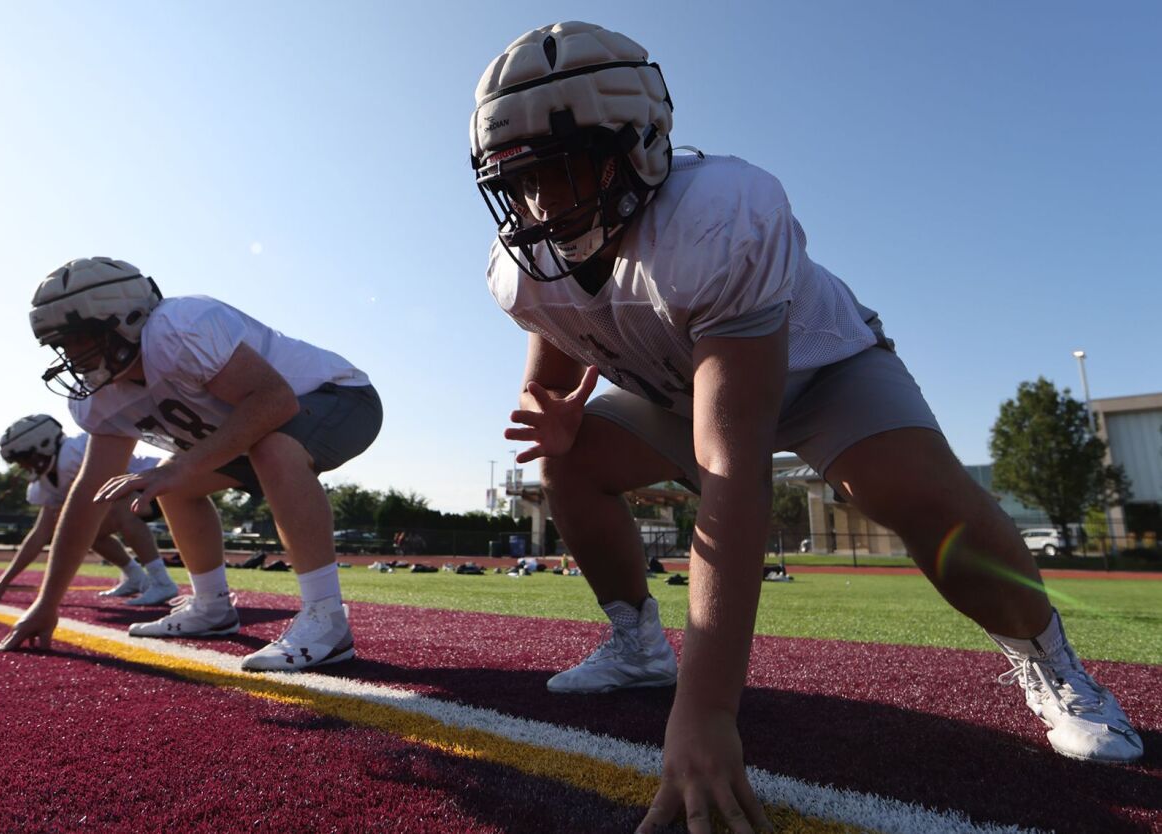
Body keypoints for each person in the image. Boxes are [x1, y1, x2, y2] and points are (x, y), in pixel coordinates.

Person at [468, 21, 1142, 833]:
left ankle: (1047, 656)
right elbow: (557, 309)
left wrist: (707, 711)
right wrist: (551, 399)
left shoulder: (721, 212)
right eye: (522, 179)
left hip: (820, 370)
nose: (541, 204)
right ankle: (636, 645)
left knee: (910, 494)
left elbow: (734, 471)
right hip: (681, 387)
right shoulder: (516, 267)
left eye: (564, 169)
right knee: (567, 464)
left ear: (636, 144)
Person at [0, 257, 382, 672]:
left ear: (124, 317)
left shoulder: (180, 327)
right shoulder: (100, 395)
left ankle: (327, 620)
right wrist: (46, 603)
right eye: (61, 345)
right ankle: (211, 606)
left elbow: (274, 402)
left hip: (338, 397)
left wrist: (180, 466)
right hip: (252, 433)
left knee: (261, 448)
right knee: (170, 484)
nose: (72, 355)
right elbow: (88, 494)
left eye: (78, 339)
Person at [0, 414, 179, 604]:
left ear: (43, 445)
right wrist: (3, 581)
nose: (23, 466)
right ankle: (135, 576)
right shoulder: (47, 480)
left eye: (24, 459)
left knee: (112, 509)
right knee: (82, 529)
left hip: (160, 482)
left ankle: (161, 581)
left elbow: (118, 483)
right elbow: (40, 534)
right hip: (135, 493)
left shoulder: (75, 451)